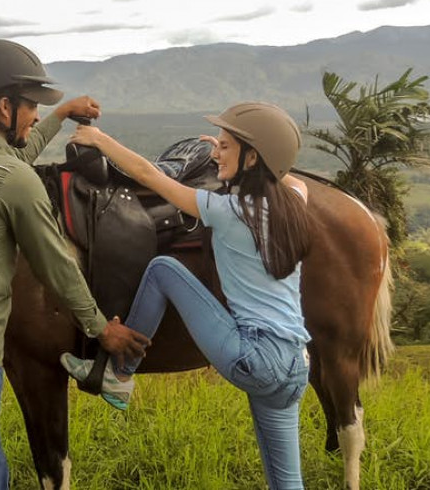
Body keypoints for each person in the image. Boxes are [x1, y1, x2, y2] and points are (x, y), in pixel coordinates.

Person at [0, 38, 150, 490]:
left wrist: (60, 114)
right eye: (32, 105)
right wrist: (102, 330)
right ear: (3, 107)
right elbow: (57, 265)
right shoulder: (14, 180)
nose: (36, 114)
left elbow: (12, 158)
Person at [60, 101, 312, 490]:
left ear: (252, 158)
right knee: (286, 482)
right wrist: (241, 158)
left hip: (255, 358)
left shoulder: (227, 211)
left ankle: (118, 372)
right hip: (295, 364)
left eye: (225, 147)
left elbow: (147, 173)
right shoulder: (295, 205)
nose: (215, 152)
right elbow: (292, 180)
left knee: (164, 269)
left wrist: (98, 139)